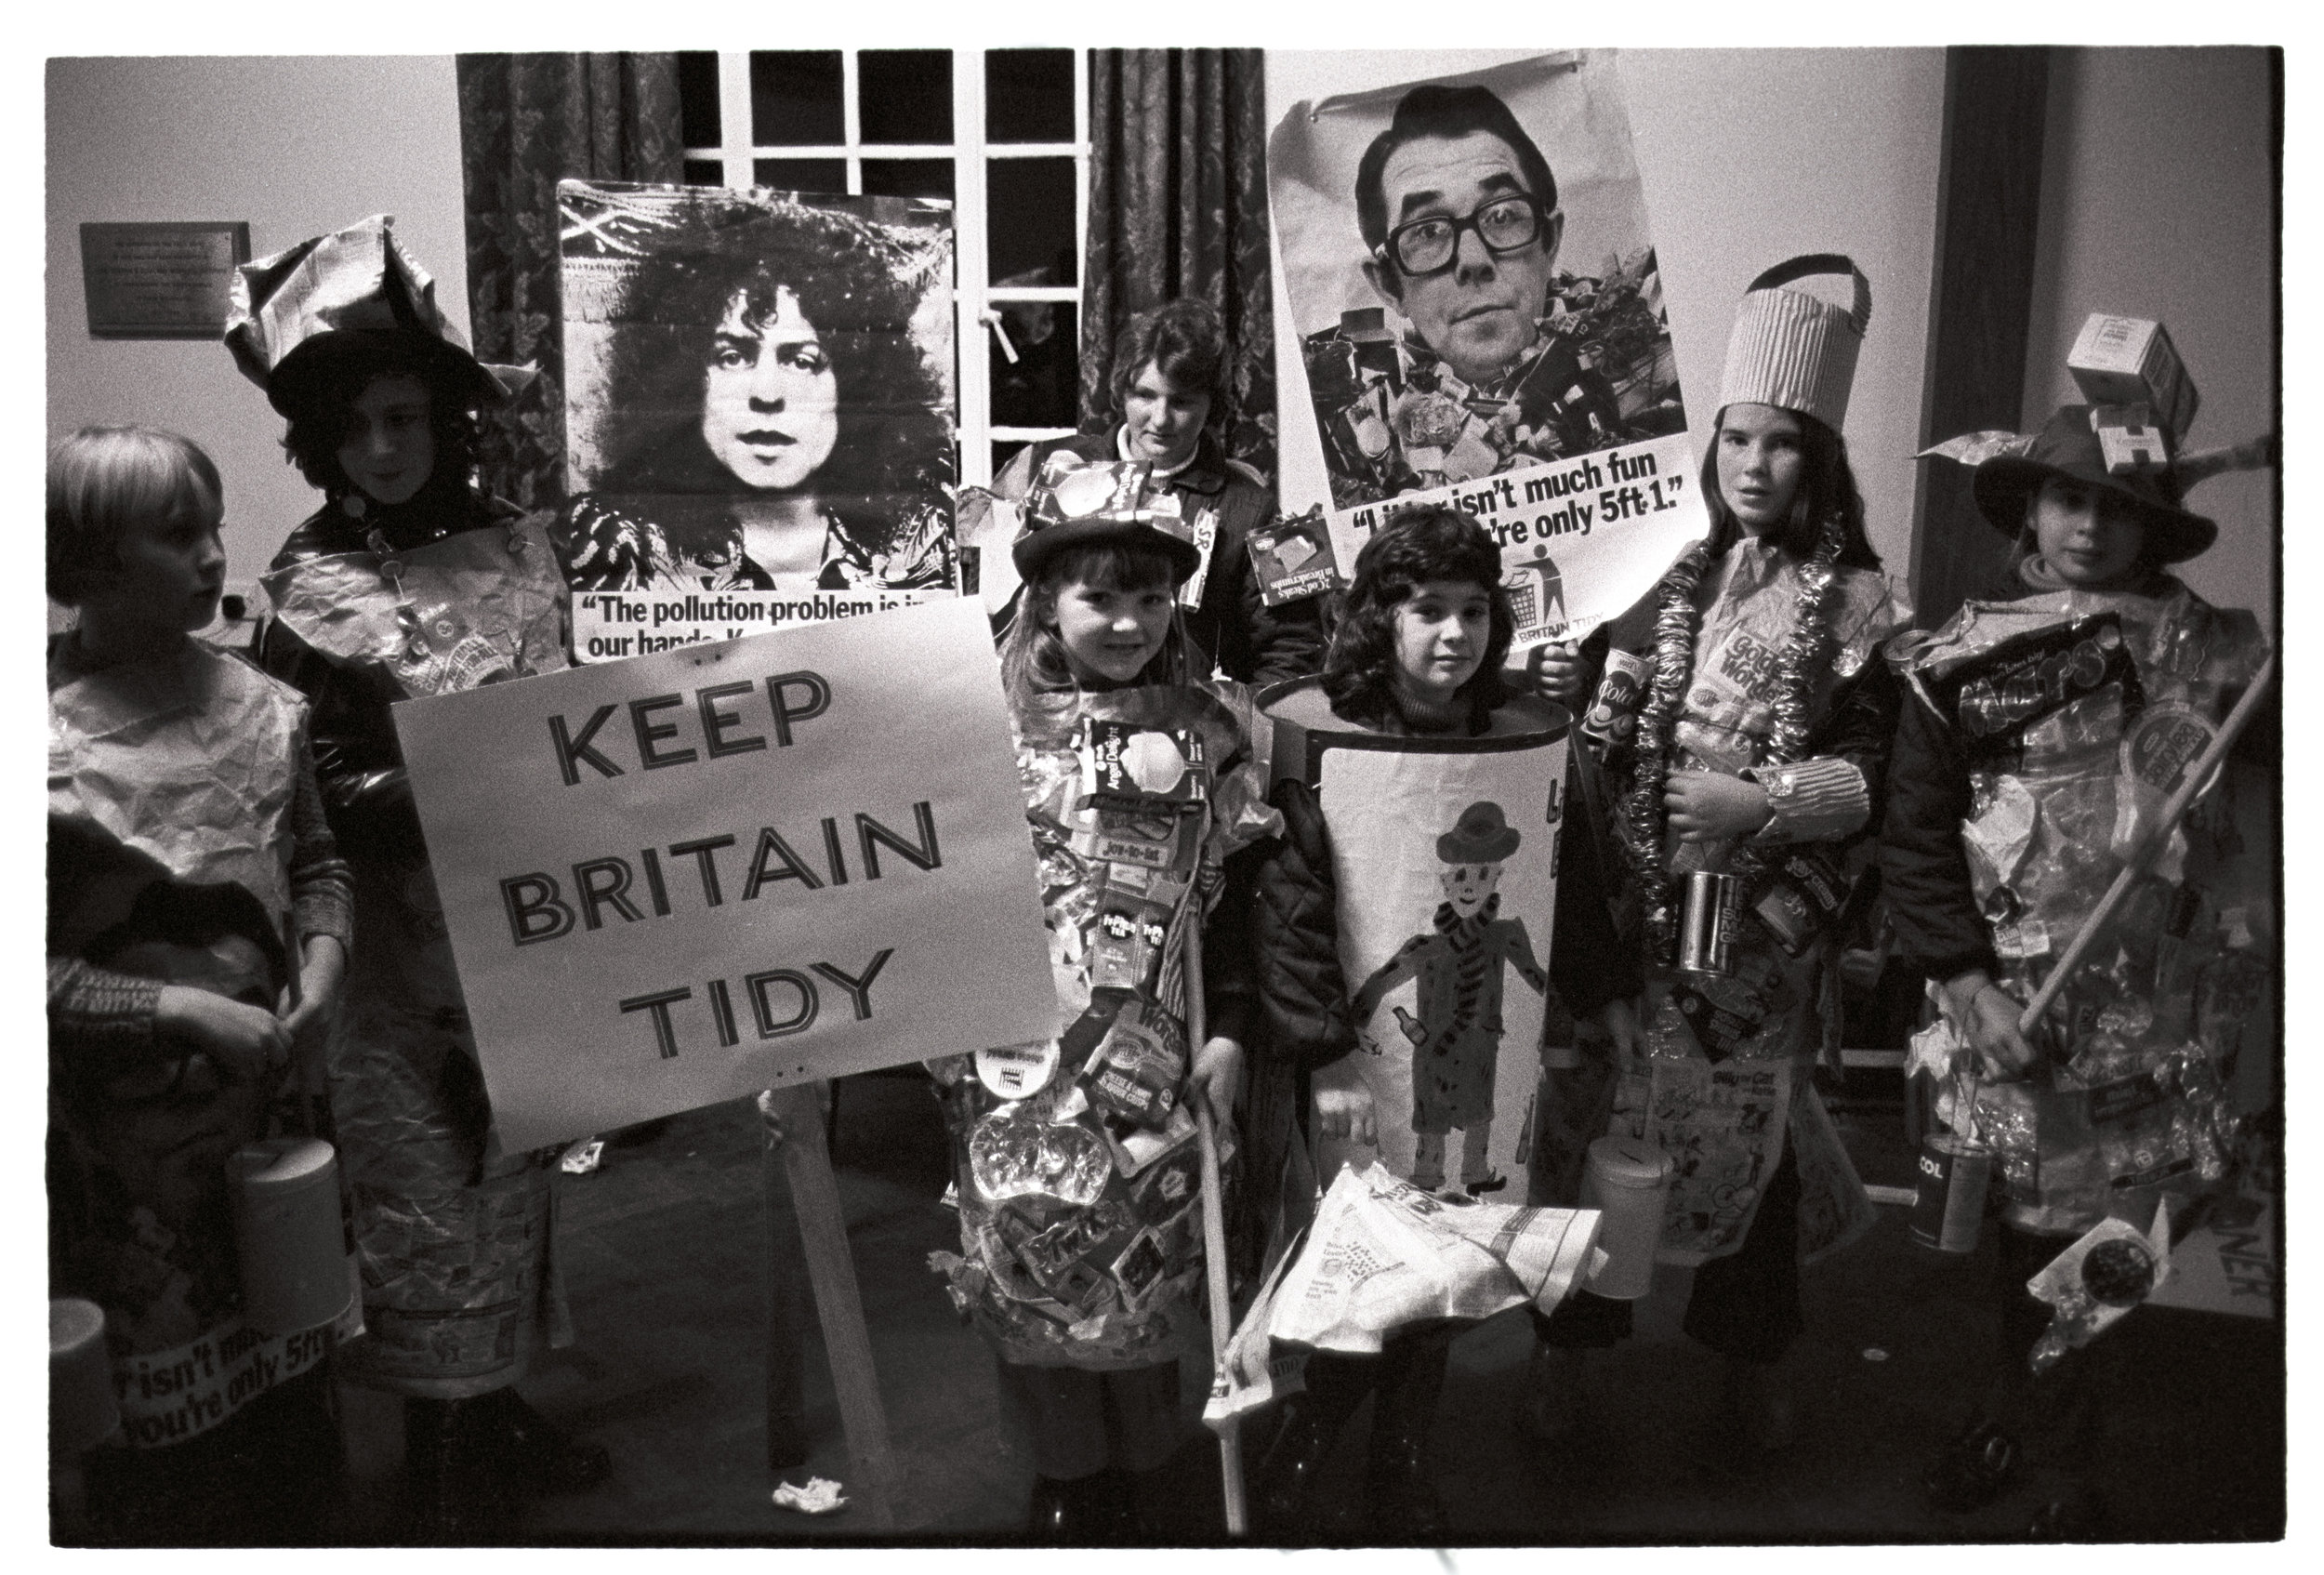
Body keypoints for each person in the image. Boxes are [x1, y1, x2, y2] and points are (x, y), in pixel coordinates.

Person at [226, 215, 605, 1537]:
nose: (384, 447)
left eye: (404, 417)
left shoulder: (518, 545)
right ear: (323, 443)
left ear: (445, 417)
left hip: (525, 930)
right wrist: (456, 783)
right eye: (356, 429)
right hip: (393, 949)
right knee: (420, 1189)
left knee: (518, 1179)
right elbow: (303, 787)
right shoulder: (304, 589)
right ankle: (446, 1471)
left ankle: (494, 1404)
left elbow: (576, 715)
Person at [1523, 258, 1907, 1453]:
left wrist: (1762, 800)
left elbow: (1879, 780)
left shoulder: (1859, 607)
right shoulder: (1657, 577)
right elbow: (1593, 729)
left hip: (1756, 940)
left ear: (1818, 458)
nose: (1752, 464)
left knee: (1757, 1146)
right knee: (1598, 1142)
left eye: (1780, 444)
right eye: (1735, 439)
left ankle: (1746, 1363)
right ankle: (1572, 1365)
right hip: (1629, 927)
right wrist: (1555, 679)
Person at [1882, 402, 2272, 1536]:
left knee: (2126, 1235)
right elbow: (1913, 837)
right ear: (2031, 511)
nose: (2091, 525)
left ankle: (2062, 1445)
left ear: (2154, 523)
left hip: (2166, 1009)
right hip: (2015, 1006)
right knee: (2020, 1232)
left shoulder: (2228, 652)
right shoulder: (1953, 658)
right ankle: (2016, 1415)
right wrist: (1966, 981)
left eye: (2118, 504)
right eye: (2070, 498)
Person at [1246, 504, 1638, 1539]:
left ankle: (1402, 1450)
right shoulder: (1319, 729)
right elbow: (1290, 907)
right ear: (1382, 617)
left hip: (1478, 1058)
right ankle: (1309, 1430)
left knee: (1451, 1245)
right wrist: (1321, 1044)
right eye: (1426, 611)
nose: (1452, 635)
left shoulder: (1515, 736)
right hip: (1357, 1056)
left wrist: (1600, 993)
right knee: (1360, 1253)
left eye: (1472, 611)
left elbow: (1562, 878)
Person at [924, 457, 1277, 1540]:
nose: (1126, 619)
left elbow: (1240, 904)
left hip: (1160, 1055)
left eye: (1150, 595)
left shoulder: (1211, 729)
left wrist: (1231, 1035)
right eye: (1099, 595)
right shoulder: (978, 727)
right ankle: (1068, 1472)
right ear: (1045, 598)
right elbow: (927, 886)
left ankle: (1147, 1459)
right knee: (1033, 1258)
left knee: (1150, 1258)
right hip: (1013, 1059)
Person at [45, 426, 353, 1542]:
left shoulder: (266, 704)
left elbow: (316, 865)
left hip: (272, 1109)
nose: (216, 554)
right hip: (113, 1150)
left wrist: (318, 972)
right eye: (180, 534)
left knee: (294, 1404)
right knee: (158, 1463)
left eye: (217, 526)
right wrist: (169, 1005)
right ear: (85, 558)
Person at [555, 196, 955, 600]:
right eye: (732, 357)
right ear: (687, 381)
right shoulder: (616, 540)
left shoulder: (919, 539)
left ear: (855, 386)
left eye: (801, 361)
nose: (766, 395)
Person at [992, 298, 1326, 690]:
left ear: (1212, 405)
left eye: (1182, 401)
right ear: (1121, 393)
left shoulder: (1256, 509)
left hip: (1181, 720)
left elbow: (1295, 651)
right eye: (1145, 396)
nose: (1161, 419)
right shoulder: (1050, 468)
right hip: (1055, 706)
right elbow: (996, 609)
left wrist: (1223, 723)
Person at [1344, 83, 1632, 487]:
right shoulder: (1365, 445)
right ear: (1389, 285)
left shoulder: (1626, 400)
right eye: (1427, 231)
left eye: (1501, 216)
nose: (1474, 260)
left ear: (1549, 242)